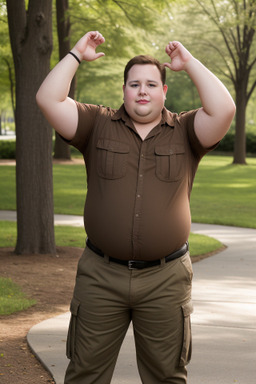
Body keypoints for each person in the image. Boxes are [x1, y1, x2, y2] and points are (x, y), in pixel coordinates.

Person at [36, 31, 236, 384]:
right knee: (84, 375)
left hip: (166, 279)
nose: (142, 90)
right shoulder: (95, 124)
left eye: (151, 84)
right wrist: (76, 55)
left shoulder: (188, 130)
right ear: (124, 90)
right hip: (100, 277)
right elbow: (48, 99)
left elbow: (224, 108)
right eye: (134, 84)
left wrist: (188, 63)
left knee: (166, 377)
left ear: (164, 91)